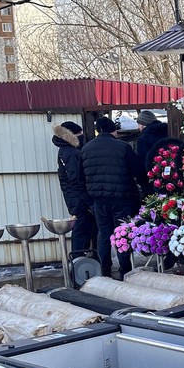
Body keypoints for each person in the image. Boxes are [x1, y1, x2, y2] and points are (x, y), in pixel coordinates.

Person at [81, 115, 148, 278]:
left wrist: (89, 199)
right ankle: (124, 269)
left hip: (98, 200)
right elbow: (138, 171)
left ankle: (105, 269)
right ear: (114, 130)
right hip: (122, 198)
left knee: (103, 234)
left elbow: (79, 177)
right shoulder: (123, 148)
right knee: (122, 232)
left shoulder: (86, 149)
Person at [51, 121, 97, 253]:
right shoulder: (70, 152)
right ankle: (79, 262)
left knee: (82, 229)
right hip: (79, 200)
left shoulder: (66, 150)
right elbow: (76, 179)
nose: (82, 136)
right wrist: (88, 201)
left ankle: (80, 262)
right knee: (82, 231)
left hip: (75, 198)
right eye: (79, 133)